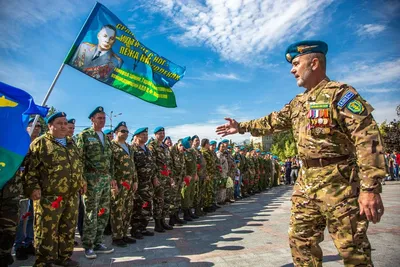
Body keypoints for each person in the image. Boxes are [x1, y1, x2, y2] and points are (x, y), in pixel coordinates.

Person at [216, 40, 386, 266]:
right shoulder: (298, 103)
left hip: (340, 183)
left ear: (314, 63)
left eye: (296, 63)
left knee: (352, 249)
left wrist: (370, 189)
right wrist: (242, 127)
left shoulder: (341, 94)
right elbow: (271, 121)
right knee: (301, 243)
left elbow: (368, 139)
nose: (292, 69)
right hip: (306, 184)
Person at [23, 112, 86, 267]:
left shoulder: (72, 143)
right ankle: (44, 261)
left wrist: (82, 181)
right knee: (46, 232)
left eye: (65, 123)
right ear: (50, 126)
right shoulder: (40, 143)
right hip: (49, 197)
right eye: (59, 123)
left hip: (71, 196)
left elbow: (78, 165)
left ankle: (63, 257)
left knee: (68, 228)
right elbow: (30, 170)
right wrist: (33, 188)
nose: (64, 126)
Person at [76, 106, 117, 259]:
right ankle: (88, 245)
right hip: (91, 180)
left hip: (105, 180)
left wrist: (112, 177)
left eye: (104, 118)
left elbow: (111, 160)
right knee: (90, 213)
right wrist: (82, 180)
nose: (102, 120)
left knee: (103, 212)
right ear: (92, 119)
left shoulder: (106, 138)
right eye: (99, 118)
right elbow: (79, 159)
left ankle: (98, 242)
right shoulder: (85, 135)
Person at [14, 118, 42, 261]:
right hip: (19, 186)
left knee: (32, 216)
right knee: (21, 217)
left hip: (34, 187)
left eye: (38, 126)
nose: (36, 128)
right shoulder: (20, 143)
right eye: (33, 125)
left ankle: (29, 242)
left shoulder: (40, 145)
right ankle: (18, 245)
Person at [110, 122, 138, 247]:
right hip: (119, 184)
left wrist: (135, 180)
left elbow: (133, 165)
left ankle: (124, 234)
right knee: (117, 210)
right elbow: (109, 166)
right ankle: (117, 237)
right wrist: (112, 182)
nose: (125, 133)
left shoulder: (129, 147)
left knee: (128, 209)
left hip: (130, 183)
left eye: (126, 131)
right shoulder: (111, 146)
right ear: (116, 132)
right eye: (122, 131)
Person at [130, 127, 156, 239]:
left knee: (147, 206)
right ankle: (135, 229)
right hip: (139, 183)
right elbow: (132, 167)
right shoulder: (132, 149)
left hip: (148, 183)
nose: (145, 137)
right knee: (137, 206)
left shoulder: (147, 149)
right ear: (136, 136)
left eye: (146, 135)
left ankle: (143, 227)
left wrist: (154, 177)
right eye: (142, 135)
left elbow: (152, 165)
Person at [148, 127, 174, 232]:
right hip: (158, 178)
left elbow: (169, 163)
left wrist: (171, 176)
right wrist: (154, 177)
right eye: (160, 133)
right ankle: (157, 223)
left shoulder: (165, 147)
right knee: (158, 201)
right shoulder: (152, 146)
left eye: (163, 133)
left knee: (166, 200)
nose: (162, 134)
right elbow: (151, 163)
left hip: (166, 177)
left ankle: (163, 221)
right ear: (155, 134)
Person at [168, 139, 187, 226]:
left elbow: (183, 166)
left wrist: (183, 178)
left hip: (180, 179)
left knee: (178, 198)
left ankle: (176, 217)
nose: (183, 148)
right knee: (172, 198)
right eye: (182, 146)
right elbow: (169, 165)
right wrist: (171, 177)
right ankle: (171, 219)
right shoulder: (172, 151)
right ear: (178, 144)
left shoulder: (182, 153)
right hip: (174, 179)